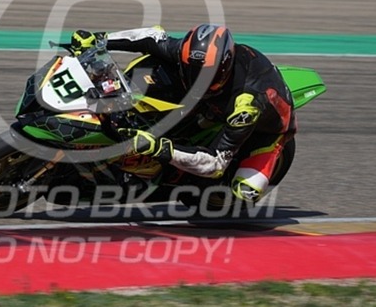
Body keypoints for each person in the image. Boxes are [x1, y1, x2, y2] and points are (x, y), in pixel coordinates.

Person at [70, 25, 296, 202]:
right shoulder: (191, 54)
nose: (197, 79)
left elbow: (216, 163)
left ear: (223, 69)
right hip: (214, 103)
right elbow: (151, 37)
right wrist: (99, 39)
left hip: (265, 129)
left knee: (245, 191)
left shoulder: (245, 107)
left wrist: (160, 148)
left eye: (206, 75)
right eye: (192, 70)